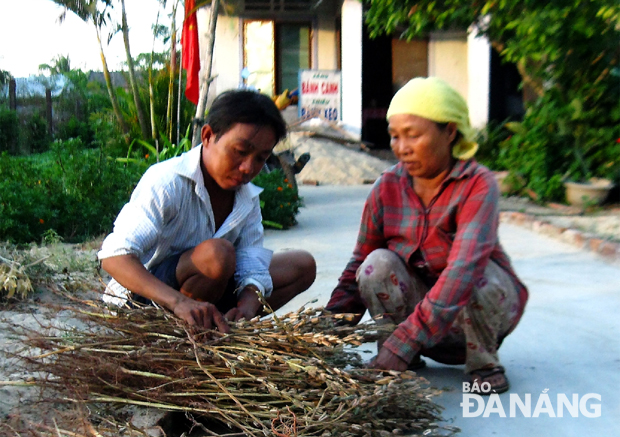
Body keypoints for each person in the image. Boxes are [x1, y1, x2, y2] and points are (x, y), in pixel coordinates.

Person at [325, 77, 528, 393]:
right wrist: (324, 333)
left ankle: (483, 363)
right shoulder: (386, 187)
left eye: (413, 135)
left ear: (449, 132)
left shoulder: (478, 184)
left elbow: (462, 271)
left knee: (476, 275)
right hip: (417, 323)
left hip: (478, 315)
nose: (401, 148)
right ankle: (401, 356)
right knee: (374, 264)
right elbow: (357, 267)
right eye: (394, 136)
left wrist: (403, 342)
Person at [98, 90, 316, 333]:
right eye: (240, 151)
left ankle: (219, 325)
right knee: (217, 255)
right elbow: (114, 257)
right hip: (144, 302)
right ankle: (178, 338)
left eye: (260, 158)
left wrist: (247, 305)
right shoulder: (168, 181)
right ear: (208, 136)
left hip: (207, 295)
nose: (248, 167)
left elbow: (252, 263)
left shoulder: (247, 196)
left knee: (302, 265)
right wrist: (179, 302)